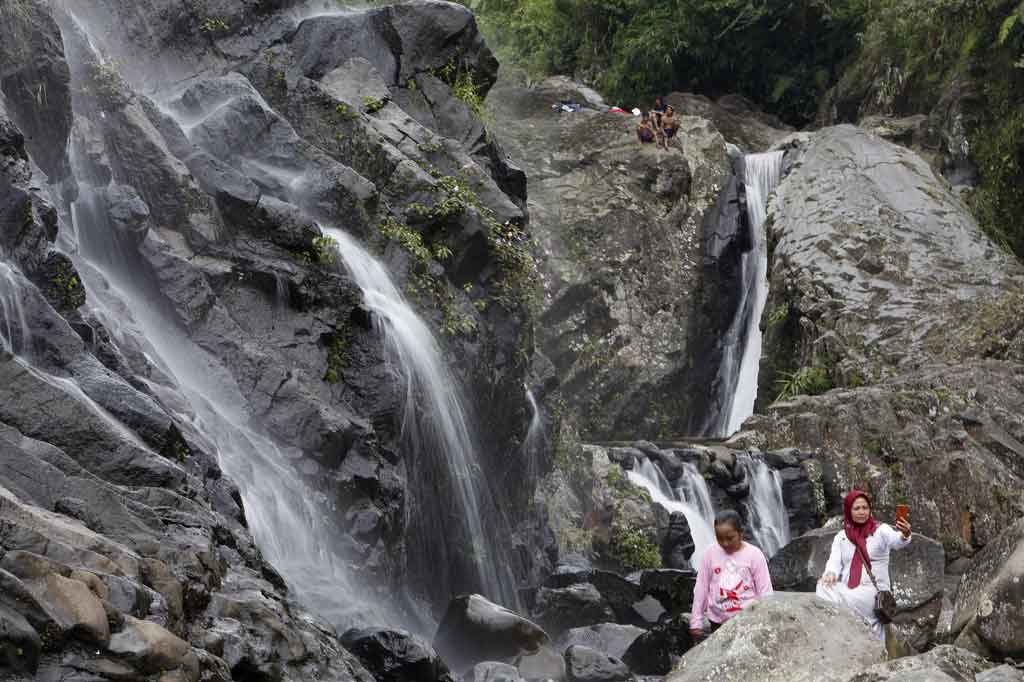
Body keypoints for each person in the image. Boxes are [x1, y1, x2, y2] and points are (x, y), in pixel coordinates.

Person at [816, 489, 912, 640]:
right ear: (849, 511)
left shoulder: (880, 530)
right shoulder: (841, 537)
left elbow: (896, 540)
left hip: (874, 593)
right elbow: (834, 562)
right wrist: (830, 573)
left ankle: (844, 627)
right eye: (857, 508)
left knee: (840, 598)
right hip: (850, 588)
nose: (862, 512)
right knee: (822, 586)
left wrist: (905, 534)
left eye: (865, 508)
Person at [689, 510, 774, 638]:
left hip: (748, 620)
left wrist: (767, 620)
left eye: (730, 538)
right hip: (717, 621)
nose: (725, 543)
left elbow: (765, 591)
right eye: (719, 538)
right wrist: (696, 621)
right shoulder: (710, 553)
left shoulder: (754, 555)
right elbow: (701, 587)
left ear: (741, 533)